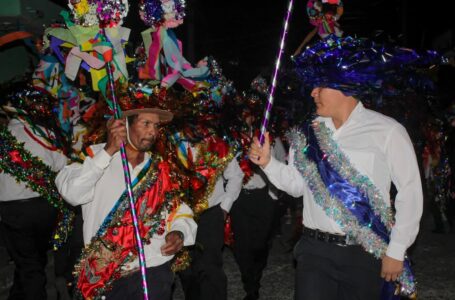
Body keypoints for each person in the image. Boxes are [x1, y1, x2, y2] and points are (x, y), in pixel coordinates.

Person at [248, 36, 434, 299]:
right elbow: (298, 186)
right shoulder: (306, 133)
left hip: (364, 253)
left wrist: (396, 250)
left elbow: (410, 192)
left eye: (320, 86)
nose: (313, 93)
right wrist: (268, 163)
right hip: (314, 251)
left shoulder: (387, 130)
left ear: (344, 86)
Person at [55, 104, 197, 300]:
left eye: (156, 126)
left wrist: (179, 231)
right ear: (123, 125)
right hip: (108, 276)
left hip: (153, 271)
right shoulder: (92, 157)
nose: (152, 131)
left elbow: (180, 210)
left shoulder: (161, 168)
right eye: (146, 123)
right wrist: (108, 151)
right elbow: (71, 193)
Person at [0, 91, 68, 300]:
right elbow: (63, 165)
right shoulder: (44, 133)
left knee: (29, 265)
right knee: (33, 260)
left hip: (13, 210)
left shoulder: (3, 138)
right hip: (44, 208)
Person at [176, 125, 244, 300]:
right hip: (178, 217)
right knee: (186, 271)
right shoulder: (170, 142)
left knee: (210, 269)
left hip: (210, 215)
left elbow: (236, 176)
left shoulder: (215, 142)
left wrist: (224, 207)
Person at [229, 110, 286, 300]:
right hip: (240, 198)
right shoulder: (234, 140)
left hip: (263, 198)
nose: (245, 118)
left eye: (248, 114)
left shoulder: (271, 140)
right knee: (241, 245)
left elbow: (282, 167)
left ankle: (256, 276)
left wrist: (273, 198)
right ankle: (250, 285)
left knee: (260, 244)